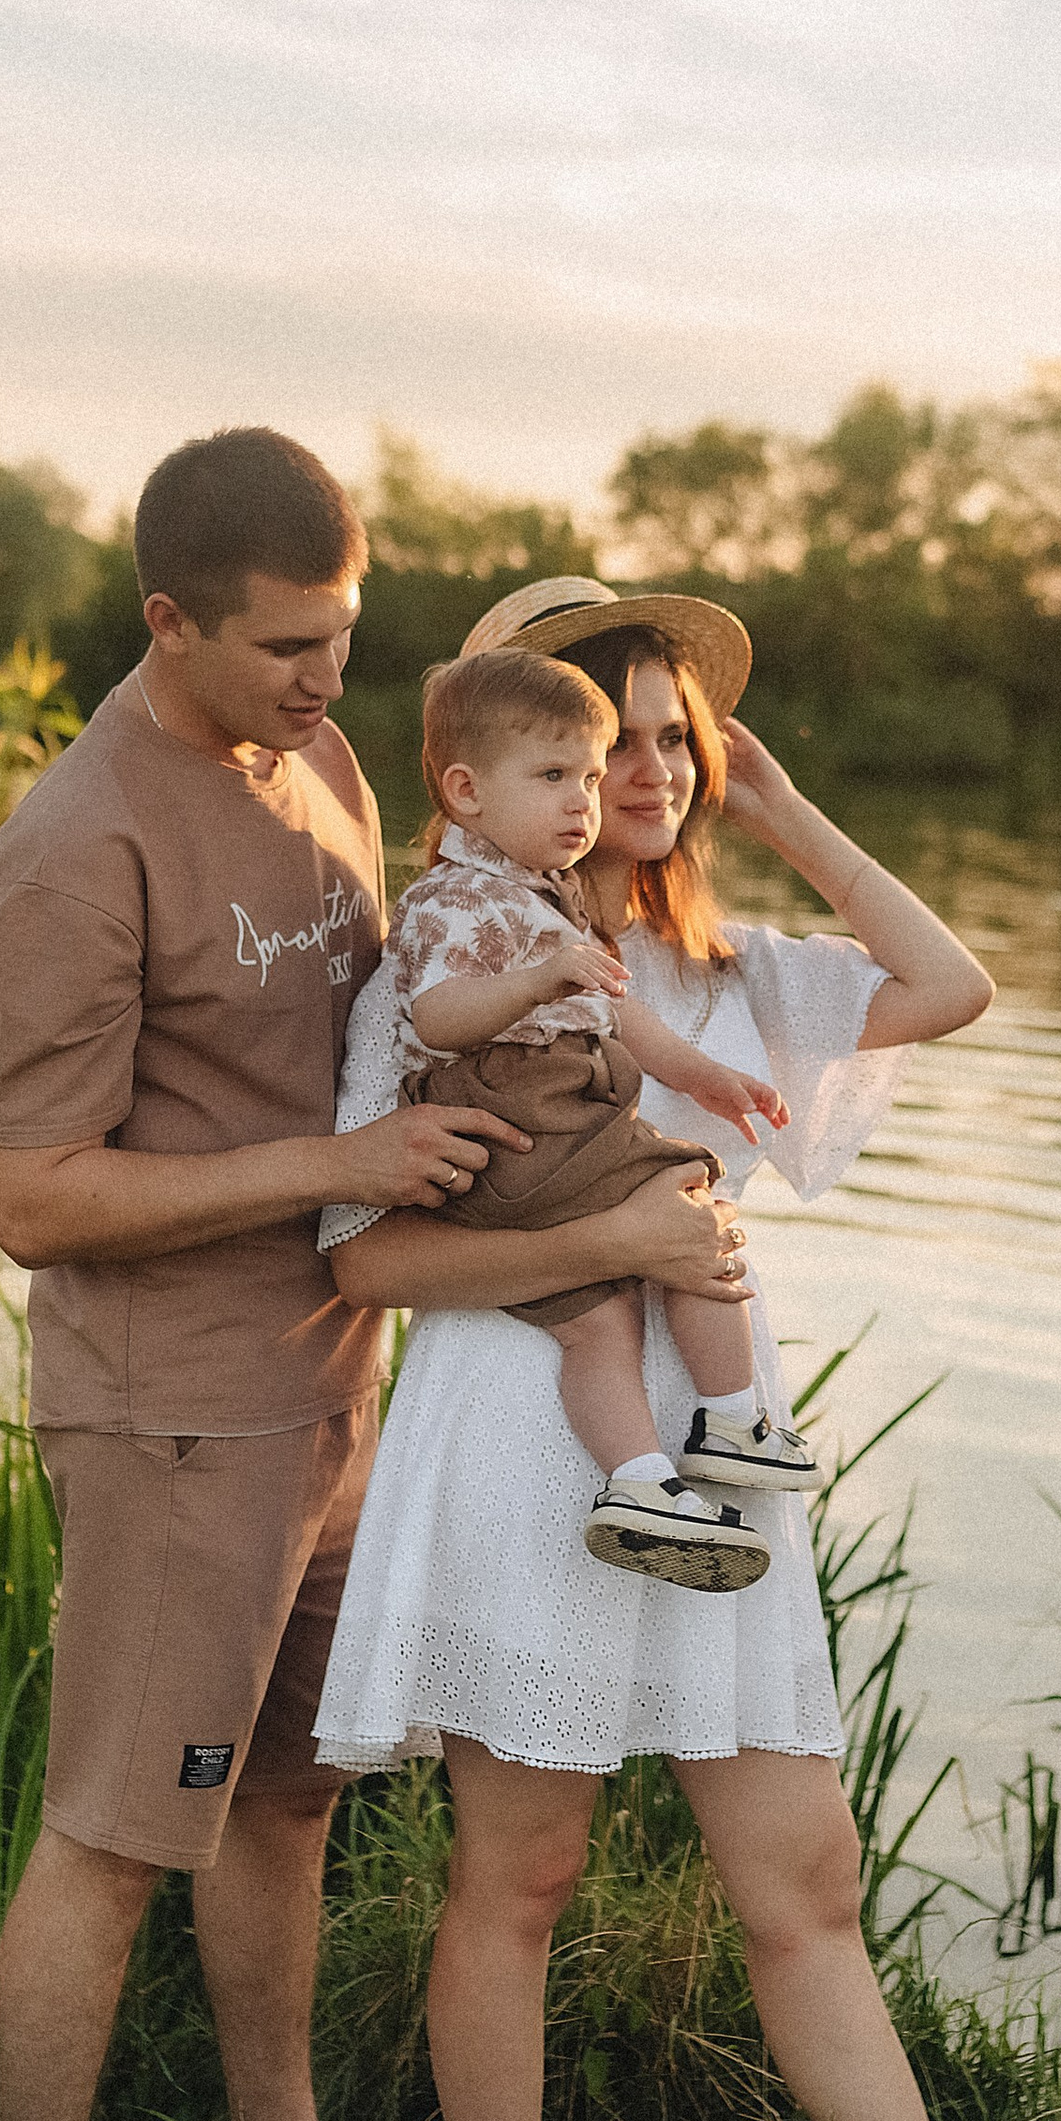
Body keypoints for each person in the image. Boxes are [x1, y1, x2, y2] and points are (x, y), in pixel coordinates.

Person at [0, 457, 742, 2121]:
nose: (329, 682)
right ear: (171, 621)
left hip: (335, 1375)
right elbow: (29, 1195)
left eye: (347, 641)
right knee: (117, 1823)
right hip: (173, 1400)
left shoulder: (317, 762)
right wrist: (341, 1173)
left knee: (289, 1792)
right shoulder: (79, 847)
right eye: (288, 646)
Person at [313, 578, 1061, 2121]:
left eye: (674, 735)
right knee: (522, 1868)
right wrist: (614, 1223)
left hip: (720, 1466)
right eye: (608, 733)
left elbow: (951, 983)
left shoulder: (729, 981)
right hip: (520, 1436)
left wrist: (783, 807)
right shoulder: (445, 958)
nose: (640, 768)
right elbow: (362, 1263)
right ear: (511, 761)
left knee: (802, 1866)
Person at [389, 641, 822, 1592]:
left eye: (588, 776)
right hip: (517, 1119)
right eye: (561, 774)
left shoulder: (544, 899)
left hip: (541, 1133)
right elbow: (432, 1016)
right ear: (465, 793)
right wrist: (541, 973)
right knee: (685, 1190)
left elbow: (624, 1012)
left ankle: (637, 1481)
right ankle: (730, 1418)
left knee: (600, 1325)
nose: (586, 798)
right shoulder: (456, 899)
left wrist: (707, 1075)